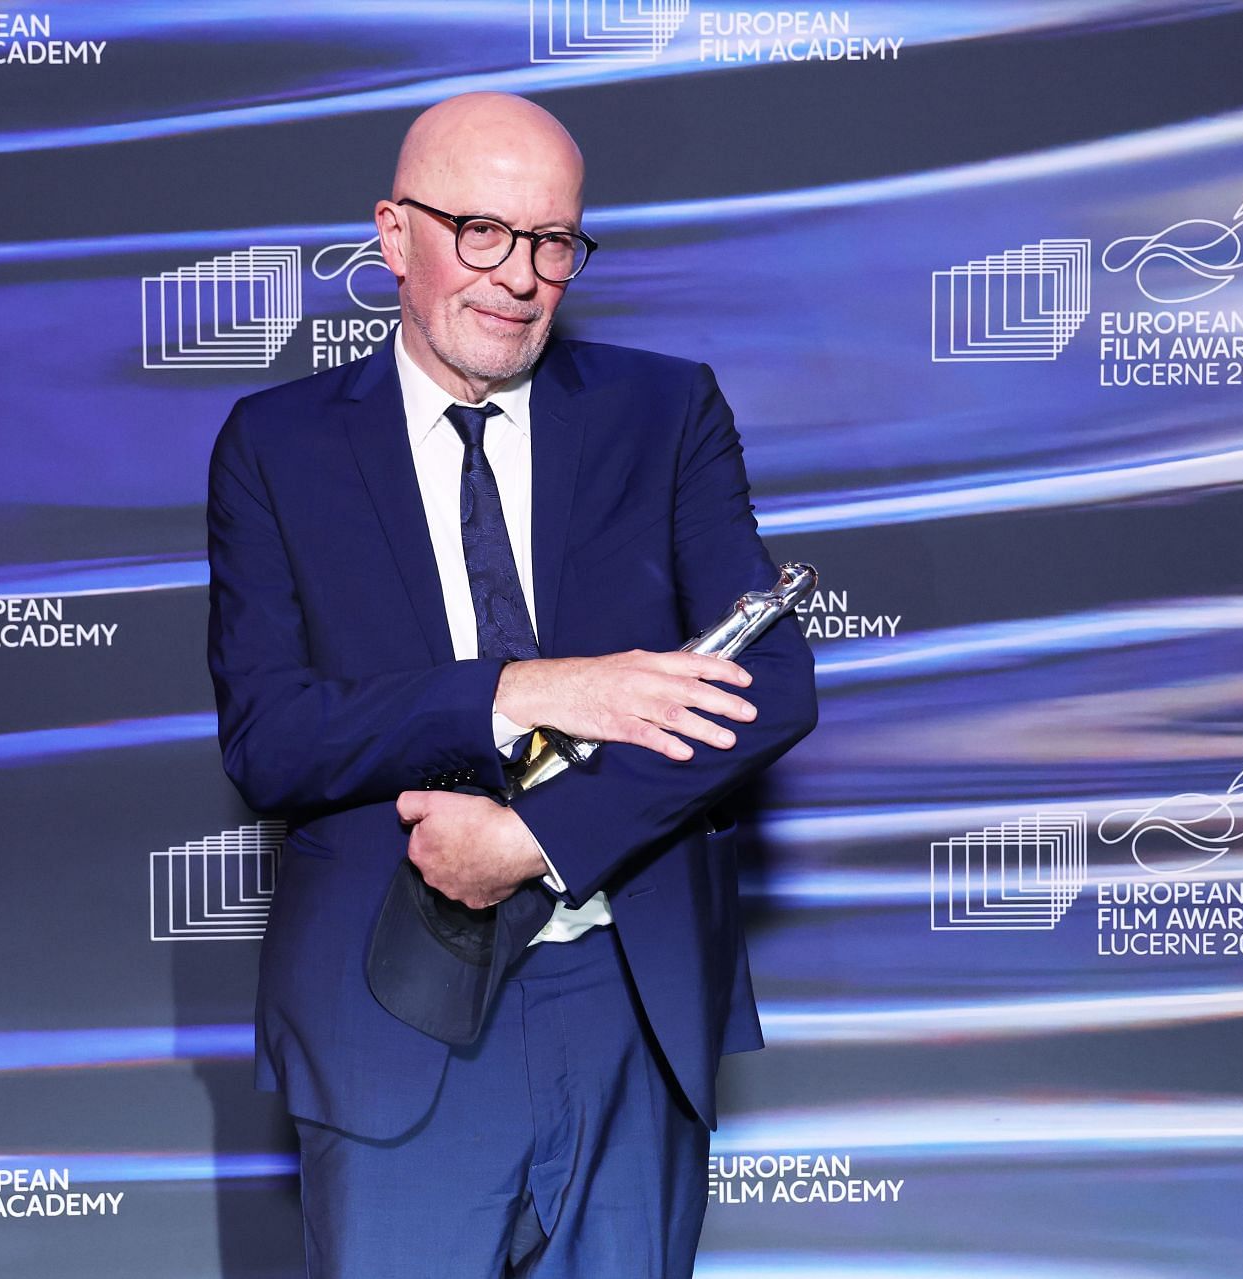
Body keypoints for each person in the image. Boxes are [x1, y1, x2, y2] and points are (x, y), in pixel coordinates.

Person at [206, 91, 818, 1279]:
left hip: (626, 1002)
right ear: (394, 236)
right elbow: (270, 736)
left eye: (552, 241)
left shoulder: (665, 409)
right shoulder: (275, 446)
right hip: (393, 1008)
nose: (520, 275)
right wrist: (526, 689)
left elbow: (768, 685)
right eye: (480, 231)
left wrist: (538, 841)